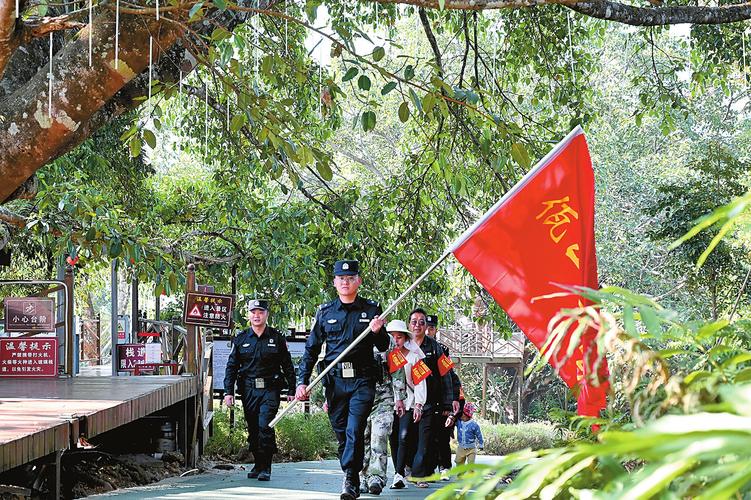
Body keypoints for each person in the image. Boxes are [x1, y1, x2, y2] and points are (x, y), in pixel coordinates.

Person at [296, 260, 389, 500]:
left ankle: (349, 479)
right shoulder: (325, 312)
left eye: (350, 278)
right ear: (335, 282)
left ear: (358, 281)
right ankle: (352, 473)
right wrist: (301, 381)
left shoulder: (371, 309)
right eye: (341, 278)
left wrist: (379, 330)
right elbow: (311, 349)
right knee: (341, 434)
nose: (345, 282)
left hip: (362, 380)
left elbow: (384, 346)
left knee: (354, 430)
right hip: (335, 382)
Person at [223, 299, 296, 481]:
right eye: (253, 312)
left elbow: (287, 366)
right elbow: (231, 367)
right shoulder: (241, 339)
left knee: (265, 425)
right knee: (253, 428)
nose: (257, 315)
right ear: (248, 315)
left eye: (260, 312)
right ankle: (257, 463)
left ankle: (266, 467)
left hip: (270, 390)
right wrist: (228, 392)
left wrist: (292, 389)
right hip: (248, 390)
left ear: (266, 315)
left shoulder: (276, 338)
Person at [404, 308, 455, 487]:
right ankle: (405, 469)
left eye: (421, 322)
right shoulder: (403, 345)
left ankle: (421, 474)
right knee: (407, 437)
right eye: (414, 321)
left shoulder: (436, 347)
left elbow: (447, 375)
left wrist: (448, 404)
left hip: (430, 403)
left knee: (426, 440)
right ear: (409, 324)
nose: (417, 325)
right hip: (406, 401)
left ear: (426, 326)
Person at [360, 337, 407, 495]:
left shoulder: (388, 341)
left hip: (383, 397)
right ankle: (361, 476)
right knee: (361, 437)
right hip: (358, 396)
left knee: (380, 435)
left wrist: (399, 398)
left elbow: (398, 369)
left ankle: (376, 477)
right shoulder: (352, 336)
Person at [385, 319, 427, 490]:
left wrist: (419, 404)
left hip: (408, 402)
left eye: (399, 337)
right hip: (387, 403)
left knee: (403, 437)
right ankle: (398, 470)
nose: (396, 340)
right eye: (392, 337)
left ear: (405, 338)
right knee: (393, 438)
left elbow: (420, 382)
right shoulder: (382, 356)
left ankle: (399, 474)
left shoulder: (414, 356)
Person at [425, 314, 462, 481]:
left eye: (431, 328)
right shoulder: (409, 347)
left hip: (440, 400)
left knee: (442, 434)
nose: (427, 330)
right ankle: (424, 469)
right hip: (420, 400)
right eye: (424, 326)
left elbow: (450, 375)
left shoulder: (440, 350)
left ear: (436, 330)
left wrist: (453, 398)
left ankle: (445, 467)